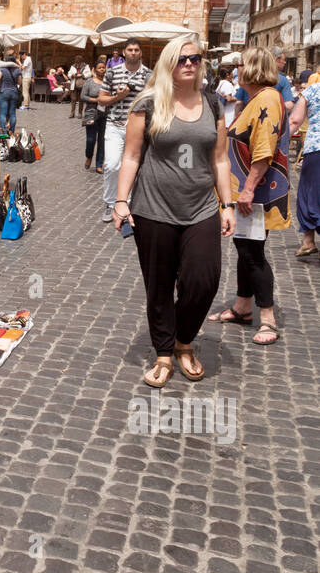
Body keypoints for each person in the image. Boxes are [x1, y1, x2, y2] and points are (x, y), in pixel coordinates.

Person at [113, 35, 234, 387]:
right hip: (153, 208)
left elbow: (221, 159)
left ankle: (184, 340)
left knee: (203, 280)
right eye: (182, 59)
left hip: (201, 208)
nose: (189, 65)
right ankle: (166, 352)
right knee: (160, 285)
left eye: (195, 59)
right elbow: (132, 156)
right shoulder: (148, 104)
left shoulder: (212, 105)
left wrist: (227, 204)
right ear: (170, 62)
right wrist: (121, 200)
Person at [209, 46, 291, 346]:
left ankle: (266, 316)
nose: (236, 70)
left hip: (254, 195)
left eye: (240, 65)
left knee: (253, 254)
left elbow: (263, 150)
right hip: (247, 193)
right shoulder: (257, 99)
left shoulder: (267, 98)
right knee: (245, 249)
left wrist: (246, 190)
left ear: (253, 68)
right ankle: (243, 307)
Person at [97, 37, 152, 222]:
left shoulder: (149, 75)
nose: (134, 53)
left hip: (139, 128)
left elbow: (156, 100)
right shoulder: (112, 73)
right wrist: (118, 96)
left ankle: (127, 202)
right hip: (115, 124)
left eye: (137, 50)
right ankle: (110, 202)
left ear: (141, 53)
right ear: (124, 52)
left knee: (137, 167)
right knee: (112, 165)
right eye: (130, 50)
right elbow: (101, 99)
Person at [289, 77, 320, 258]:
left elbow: (295, 120)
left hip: (316, 148)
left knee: (310, 192)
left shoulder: (313, 90)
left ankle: (308, 241)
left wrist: (279, 143)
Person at [235, 45, 293, 115]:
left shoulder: (249, 84)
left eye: (239, 65)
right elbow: (288, 105)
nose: (285, 62)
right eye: (284, 60)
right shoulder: (283, 80)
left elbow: (239, 103)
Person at [81, 56, 108, 172]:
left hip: (105, 114)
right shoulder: (89, 82)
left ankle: (99, 164)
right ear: (95, 70)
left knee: (102, 140)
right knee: (91, 139)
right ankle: (89, 156)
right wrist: (96, 100)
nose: (102, 69)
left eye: (104, 67)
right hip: (91, 112)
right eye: (100, 68)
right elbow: (83, 96)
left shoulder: (108, 82)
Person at [0, 54, 21, 134]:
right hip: (14, 92)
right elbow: (19, 82)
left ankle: (4, 132)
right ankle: (11, 131)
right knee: (12, 113)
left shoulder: (2, 69)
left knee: (3, 113)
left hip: (3, 92)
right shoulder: (17, 70)